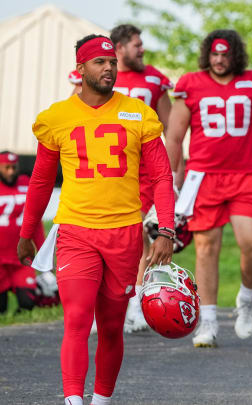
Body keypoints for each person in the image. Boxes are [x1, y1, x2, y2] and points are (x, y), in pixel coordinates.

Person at [17, 34, 174, 405]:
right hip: (76, 231)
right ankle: (73, 400)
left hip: (124, 233)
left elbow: (162, 176)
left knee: (111, 327)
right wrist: (27, 231)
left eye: (113, 62)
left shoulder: (139, 114)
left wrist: (165, 229)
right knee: (76, 318)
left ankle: (101, 401)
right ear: (80, 68)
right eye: (100, 62)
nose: (109, 68)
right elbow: (40, 180)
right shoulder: (57, 117)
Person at [165, 29, 252, 348]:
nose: (219, 60)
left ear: (236, 56)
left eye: (225, 54)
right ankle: (209, 320)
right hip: (203, 177)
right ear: (208, 54)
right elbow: (174, 138)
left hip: (245, 175)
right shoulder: (191, 84)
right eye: (215, 54)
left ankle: (245, 299)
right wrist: (169, 182)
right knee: (206, 248)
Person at [105, 23, 176, 333]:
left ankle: (135, 304)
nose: (142, 49)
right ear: (119, 48)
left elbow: (171, 129)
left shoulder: (154, 79)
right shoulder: (100, 75)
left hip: (143, 172)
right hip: (105, 170)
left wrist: (176, 173)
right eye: (136, 44)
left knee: (135, 236)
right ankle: (104, 305)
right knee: (103, 236)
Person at [0, 151, 46, 314]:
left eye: (14, 167)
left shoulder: (26, 183)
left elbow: (36, 222)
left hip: (21, 256)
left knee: (28, 304)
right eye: (6, 167)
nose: (11, 171)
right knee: (1, 309)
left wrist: (43, 253)